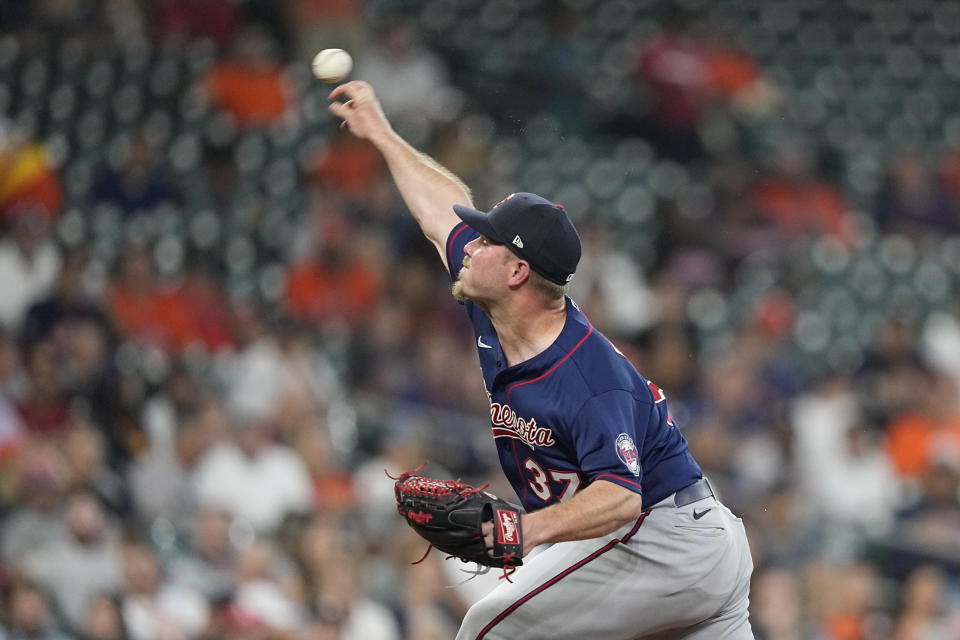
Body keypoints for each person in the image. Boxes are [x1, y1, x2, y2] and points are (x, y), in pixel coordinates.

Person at [328, 81, 754, 639]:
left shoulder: (589, 376)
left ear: (517, 273)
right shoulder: (493, 300)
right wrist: (382, 134)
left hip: (664, 540)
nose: (469, 247)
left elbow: (620, 499)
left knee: (488, 628)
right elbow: (438, 212)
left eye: (485, 243)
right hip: (692, 549)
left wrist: (524, 531)